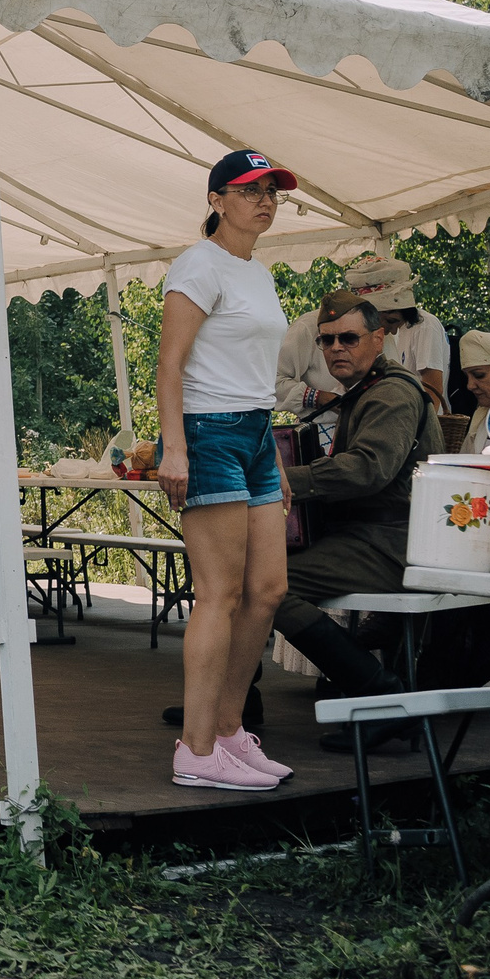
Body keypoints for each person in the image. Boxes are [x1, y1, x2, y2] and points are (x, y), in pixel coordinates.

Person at [156, 149, 299, 793]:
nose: (264, 200)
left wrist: (272, 453)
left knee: (267, 589)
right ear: (217, 201)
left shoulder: (257, 271)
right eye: (249, 190)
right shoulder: (198, 264)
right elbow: (169, 364)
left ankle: (230, 732)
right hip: (209, 432)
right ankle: (195, 747)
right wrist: (174, 448)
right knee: (221, 593)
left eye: (272, 191)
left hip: (256, 432)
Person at [270, 291, 445, 750]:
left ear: (379, 339)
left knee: (269, 587)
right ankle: (235, 701)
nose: (335, 349)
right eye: (327, 341)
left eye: (348, 338)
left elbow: (369, 468)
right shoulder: (366, 389)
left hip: (390, 540)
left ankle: (385, 698)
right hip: (370, 533)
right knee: (248, 570)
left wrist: (285, 480)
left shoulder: (390, 393)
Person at [338, 256, 448, 408]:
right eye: (390, 322)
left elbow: (433, 391)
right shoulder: (372, 334)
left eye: (394, 321)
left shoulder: (425, 326)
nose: (394, 331)